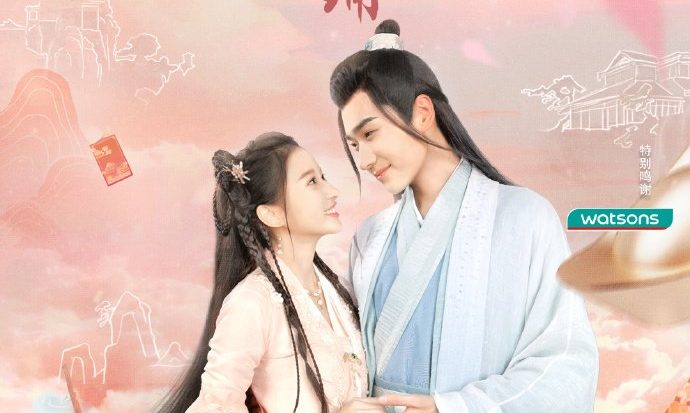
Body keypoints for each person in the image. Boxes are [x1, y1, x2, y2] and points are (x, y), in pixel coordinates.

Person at [329, 19, 599, 413]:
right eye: (354, 145)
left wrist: (450, 406)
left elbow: (565, 364)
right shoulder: (369, 237)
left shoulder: (524, 218)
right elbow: (342, 353)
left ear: (422, 112)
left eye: (370, 134)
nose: (365, 160)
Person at [157, 132, 377, 413]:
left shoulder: (338, 289)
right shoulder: (253, 302)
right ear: (271, 214)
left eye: (323, 177)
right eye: (312, 181)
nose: (332, 191)